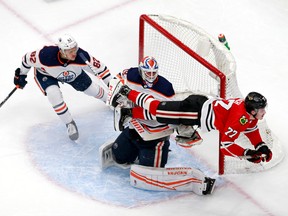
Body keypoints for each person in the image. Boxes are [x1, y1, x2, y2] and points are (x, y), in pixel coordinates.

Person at [111, 85, 273, 164]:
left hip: (198, 110)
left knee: (162, 117)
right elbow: (225, 146)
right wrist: (247, 153)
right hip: (194, 111)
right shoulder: (239, 118)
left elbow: (251, 130)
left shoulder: (247, 115)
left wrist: (260, 146)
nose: (263, 112)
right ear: (252, 110)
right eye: (261, 110)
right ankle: (126, 91)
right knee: (157, 109)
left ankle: (129, 113)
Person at [13, 34, 111, 141]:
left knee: (92, 90)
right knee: (53, 95)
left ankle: (110, 101)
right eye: (70, 51)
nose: (74, 53)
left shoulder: (82, 56)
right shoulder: (45, 55)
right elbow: (27, 59)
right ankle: (69, 123)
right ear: (62, 51)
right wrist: (21, 75)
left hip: (73, 72)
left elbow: (102, 70)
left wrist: (113, 87)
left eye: (75, 49)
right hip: (46, 74)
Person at [101, 56, 176, 169]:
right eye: (147, 73)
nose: (151, 76)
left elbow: (165, 113)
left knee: (150, 170)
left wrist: (132, 112)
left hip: (155, 134)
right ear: (141, 70)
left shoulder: (166, 88)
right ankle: (136, 152)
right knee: (118, 156)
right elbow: (118, 78)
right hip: (136, 127)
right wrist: (115, 96)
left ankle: (159, 150)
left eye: (153, 73)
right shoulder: (132, 74)